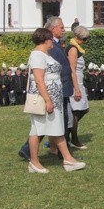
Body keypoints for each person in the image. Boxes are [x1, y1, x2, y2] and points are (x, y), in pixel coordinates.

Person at [25, 27, 85, 173]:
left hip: (54, 98)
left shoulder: (46, 54)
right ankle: (34, 162)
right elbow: (39, 80)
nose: (53, 42)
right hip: (44, 98)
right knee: (37, 130)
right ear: (46, 40)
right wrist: (47, 100)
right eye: (51, 39)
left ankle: (68, 160)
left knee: (57, 128)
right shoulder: (37, 55)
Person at [18, 17, 74, 161]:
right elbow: (39, 79)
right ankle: (58, 156)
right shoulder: (41, 52)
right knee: (41, 128)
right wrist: (48, 98)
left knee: (52, 126)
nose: (63, 29)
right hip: (48, 94)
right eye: (61, 27)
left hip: (56, 91)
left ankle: (63, 155)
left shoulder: (51, 48)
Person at [66, 25, 90, 149]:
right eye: (84, 39)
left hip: (79, 81)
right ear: (79, 37)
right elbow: (72, 70)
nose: (85, 42)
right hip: (76, 82)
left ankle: (67, 135)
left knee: (83, 109)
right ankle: (72, 139)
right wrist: (76, 89)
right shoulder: (73, 49)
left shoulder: (76, 47)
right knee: (76, 111)